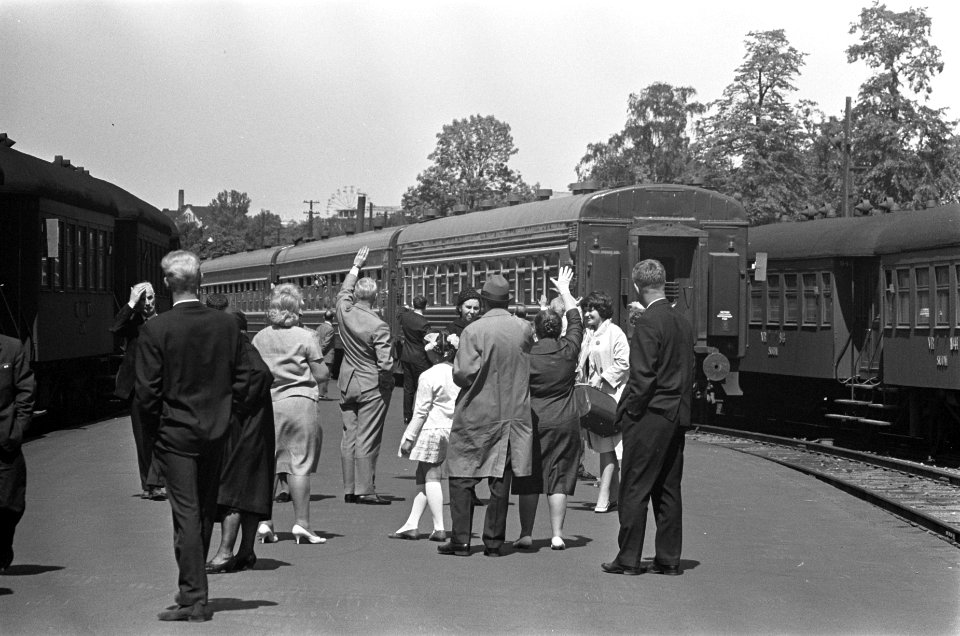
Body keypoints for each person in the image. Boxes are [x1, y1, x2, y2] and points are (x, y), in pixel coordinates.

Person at [135, 250, 252, 622]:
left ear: (168, 283)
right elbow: (252, 376)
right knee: (202, 512)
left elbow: (147, 393)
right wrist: (230, 412)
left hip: (176, 433)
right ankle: (194, 587)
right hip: (217, 431)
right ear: (200, 281)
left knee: (185, 513)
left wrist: (155, 433)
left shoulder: (156, 329)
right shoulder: (227, 326)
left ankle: (194, 599)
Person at [601, 259, 694, 577]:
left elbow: (642, 377)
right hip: (675, 414)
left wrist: (630, 412)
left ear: (638, 287)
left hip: (651, 414)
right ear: (664, 283)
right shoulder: (681, 321)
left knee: (635, 486)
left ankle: (628, 557)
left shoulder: (648, 323)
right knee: (668, 488)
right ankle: (668, 558)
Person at [438, 274, 535, 558]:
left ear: (483, 300)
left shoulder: (474, 330)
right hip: (513, 411)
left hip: (478, 410)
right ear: (507, 299)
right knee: (500, 477)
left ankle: (461, 539)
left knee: (461, 473)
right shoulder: (524, 328)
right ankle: (494, 542)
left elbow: (463, 374)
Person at [512, 267, 583, 551]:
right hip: (565, 419)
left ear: (536, 330)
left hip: (534, 419)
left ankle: (527, 533)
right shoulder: (569, 351)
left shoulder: (527, 355)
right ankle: (557, 534)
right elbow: (575, 319)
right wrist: (565, 290)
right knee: (559, 477)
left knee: (530, 478)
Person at [252, 284, 326, 544]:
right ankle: (302, 524)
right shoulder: (306, 336)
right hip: (300, 403)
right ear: (295, 309)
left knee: (268, 464)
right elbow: (322, 374)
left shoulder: (260, 337)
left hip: (269, 404)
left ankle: (264, 522)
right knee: (299, 464)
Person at [206, 309, 276, 573]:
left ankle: (225, 553)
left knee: (233, 494)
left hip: (245, 435)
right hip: (254, 433)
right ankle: (246, 552)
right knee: (250, 493)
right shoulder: (244, 351)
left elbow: (257, 378)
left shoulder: (244, 355)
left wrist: (228, 403)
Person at [337, 247, 394, 505]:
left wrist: (355, 266)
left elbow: (342, 294)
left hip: (348, 381)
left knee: (349, 436)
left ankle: (349, 488)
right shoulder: (378, 325)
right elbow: (385, 362)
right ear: (376, 298)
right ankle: (365, 489)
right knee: (367, 436)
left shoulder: (344, 312)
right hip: (371, 384)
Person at [390, 330, 459, 542]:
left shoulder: (428, 376)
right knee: (422, 474)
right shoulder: (459, 373)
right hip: (453, 429)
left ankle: (439, 527)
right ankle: (412, 524)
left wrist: (409, 437)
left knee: (432, 476)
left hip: (432, 430)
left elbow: (421, 411)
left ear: (432, 354)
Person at [110, 281, 165, 500]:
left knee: (160, 435)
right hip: (137, 389)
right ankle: (148, 485)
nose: (148, 303)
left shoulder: (164, 324)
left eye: (150, 298)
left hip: (161, 387)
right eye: (143, 299)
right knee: (143, 439)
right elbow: (114, 328)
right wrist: (131, 303)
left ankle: (157, 482)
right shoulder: (132, 325)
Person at [577, 290, 629, 513]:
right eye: (586, 309)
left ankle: (604, 496)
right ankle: (615, 496)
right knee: (605, 448)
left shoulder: (615, 333)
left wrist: (603, 376)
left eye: (592, 309)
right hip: (594, 398)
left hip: (610, 398)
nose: (588, 313)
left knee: (608, 447)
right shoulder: (589, 334)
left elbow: (623, 363)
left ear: (603, 311)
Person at [0, 334, 34, 572]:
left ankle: (3, 545)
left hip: (5, 439)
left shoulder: (12, 348)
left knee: (11, 504)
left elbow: (26, 390)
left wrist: (18, 429)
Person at [397, 296, 431, 426]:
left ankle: (407, 416)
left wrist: (406, 308)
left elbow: (399, 313)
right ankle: (419, 415)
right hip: (419, 358)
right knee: (421, 387)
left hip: (406, 355)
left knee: (408, 388)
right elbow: (427, 340)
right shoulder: (424, 323)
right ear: (425, 306)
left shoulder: (405, 317)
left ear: (413, 305)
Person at [314, 309, 336, 401]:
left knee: (319, 374)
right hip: (327, 355)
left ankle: (318, 393)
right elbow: (326, 343)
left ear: (324, 317)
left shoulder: (319, 327)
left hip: (319, 353)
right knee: (325, 375)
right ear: (333, 318)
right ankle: (322, 394)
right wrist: (320, 352)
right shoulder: (330, 329)